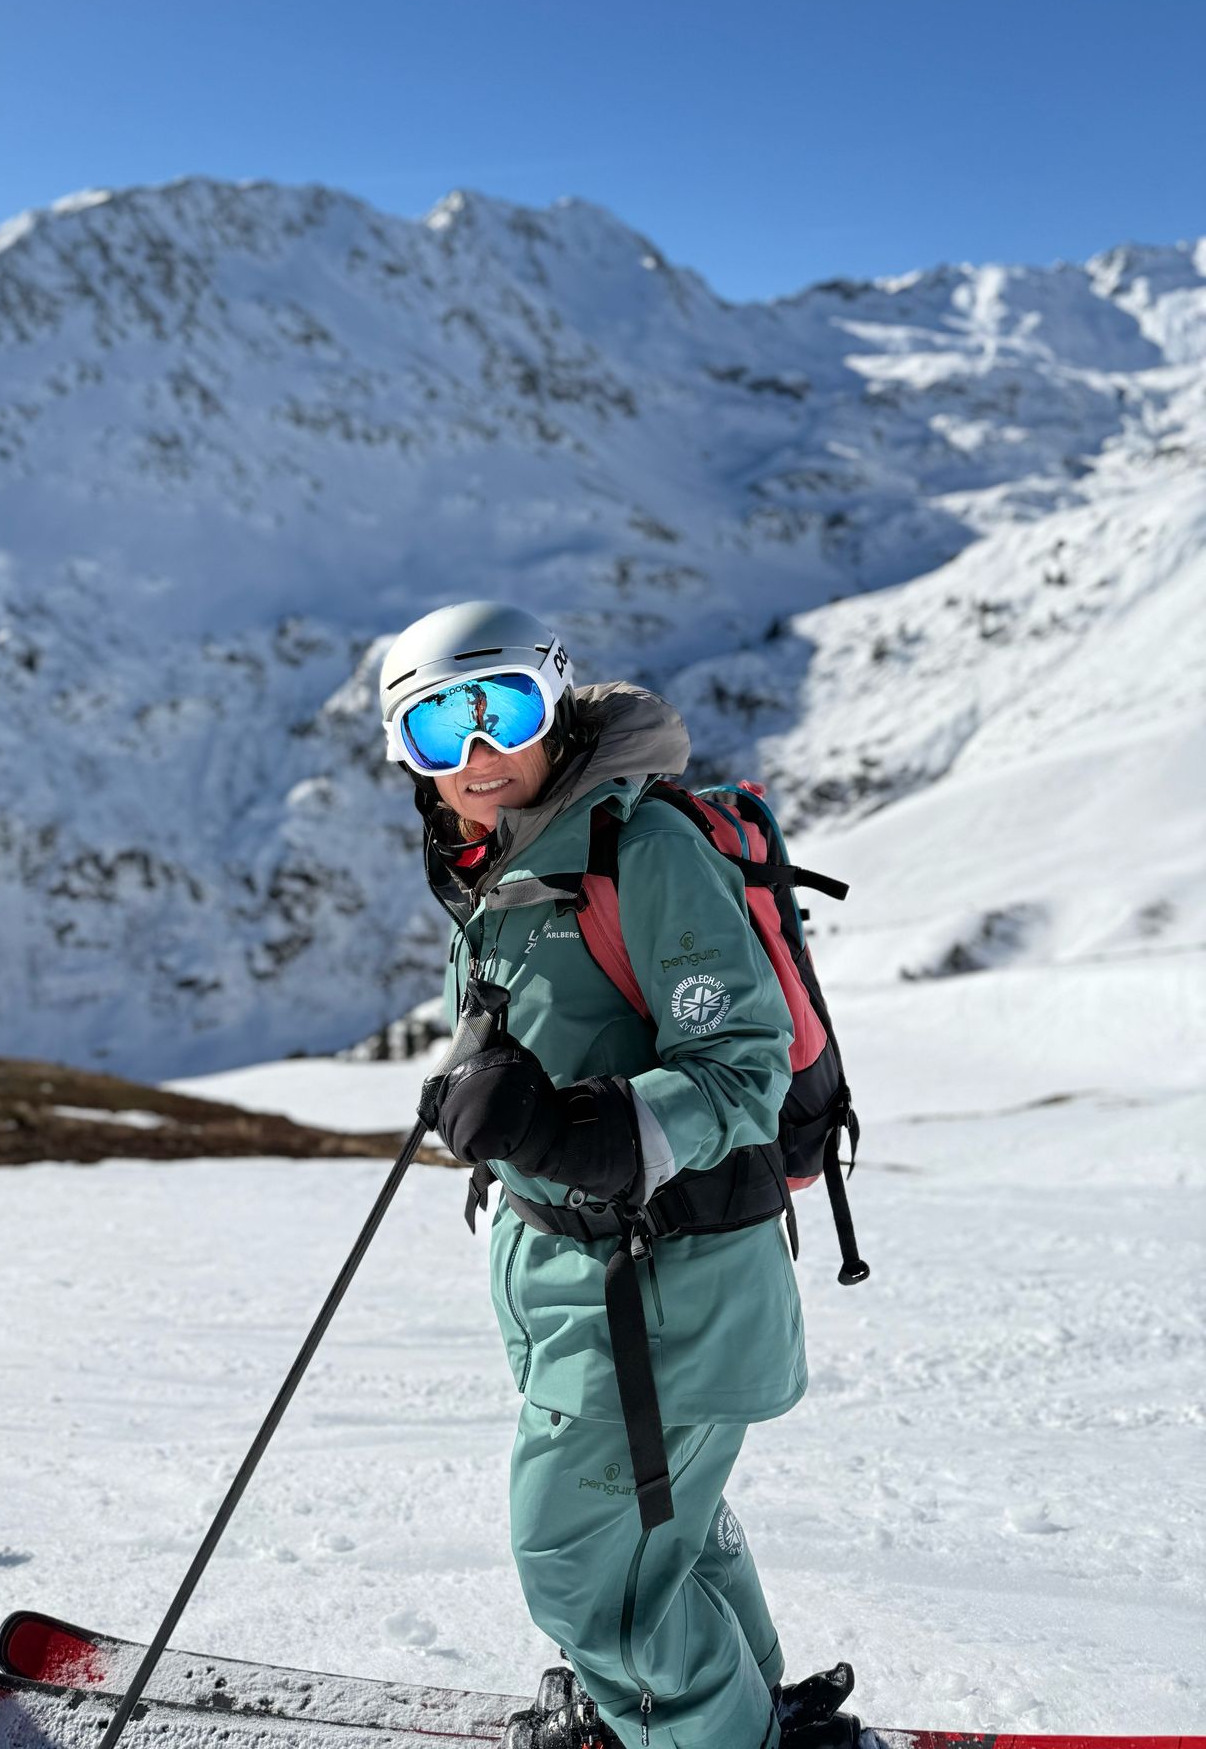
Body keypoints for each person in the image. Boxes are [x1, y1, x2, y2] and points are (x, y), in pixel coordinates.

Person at [380, 602, 856, 1749]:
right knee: (666, 1533)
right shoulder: (500, 859)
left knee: (583, 1565)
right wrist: (495, 1099)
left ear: (556, 701)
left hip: (665, 1288)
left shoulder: (638, 849)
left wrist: (568, 1125)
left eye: (505, 709)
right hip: (579, 1283)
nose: (480, 751)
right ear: (406, 751)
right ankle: (734, 1717)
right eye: (443, 726)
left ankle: (702, 1730)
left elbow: (739, 1069)